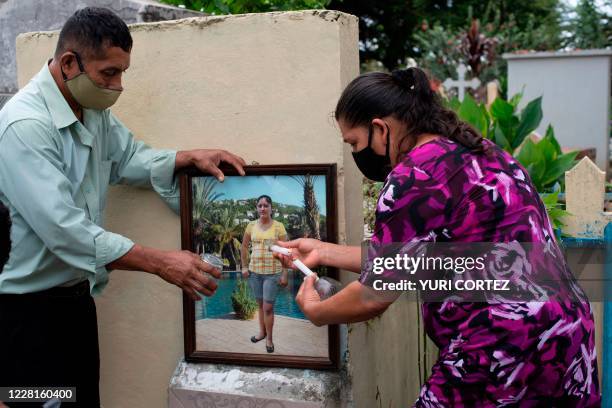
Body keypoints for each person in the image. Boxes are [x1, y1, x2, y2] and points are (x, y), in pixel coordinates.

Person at [276, 68, 601, 406]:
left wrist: (318, 311)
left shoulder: (414, 175)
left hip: (503, 342)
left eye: (355, 143)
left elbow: (375, 295)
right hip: (565, 333)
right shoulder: (482, 152)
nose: (357, 153)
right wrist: (323, 251)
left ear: (380, 128)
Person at [0, 7, 246, 407]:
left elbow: (129, 158)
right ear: (68, 63)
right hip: (25, 318)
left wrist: (187, 157)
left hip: (74, 305)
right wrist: (159, 261)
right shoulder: (24, 126)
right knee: (30, 402)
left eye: (122, 73)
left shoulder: (92, 110)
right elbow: (64, 229)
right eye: (108, 73)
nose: (118, 86)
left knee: (78, 401)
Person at [241, 195, 288, 353]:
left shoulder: (278, 227)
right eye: (260, 205)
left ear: (271, 208)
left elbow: (286, 251)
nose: (262, 208)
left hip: (272, 273)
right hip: (255, 273)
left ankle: (269, 338)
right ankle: (262, 333)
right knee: (260, 306)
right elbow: (244, 247)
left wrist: (284, 273)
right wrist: (244, 267)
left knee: (268, 307)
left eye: (265, 205)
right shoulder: (250, 226)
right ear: (256, 208)